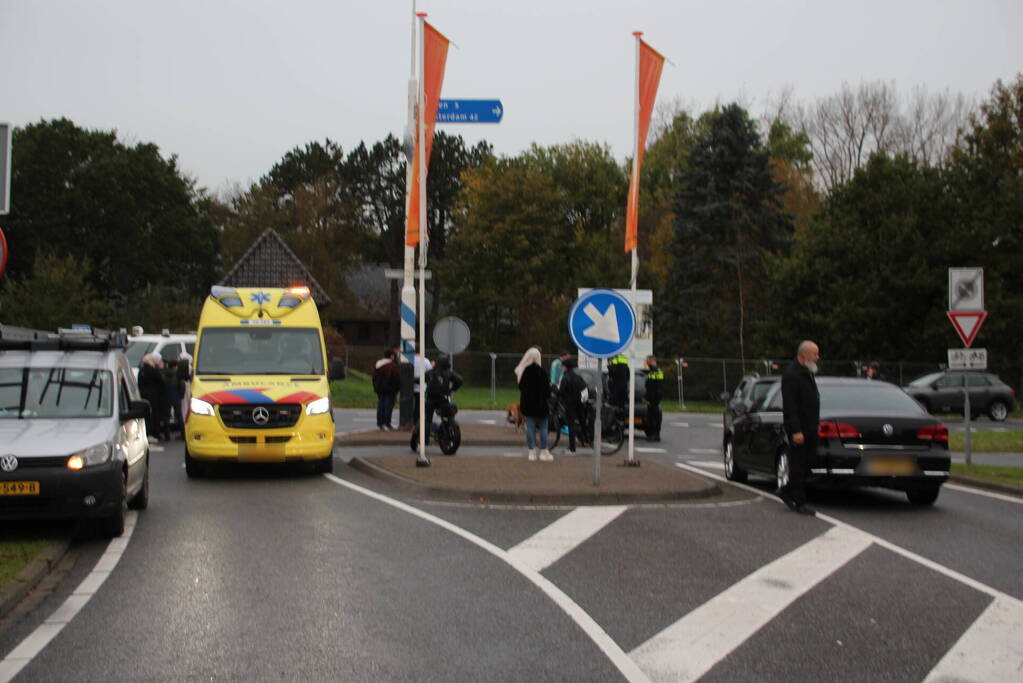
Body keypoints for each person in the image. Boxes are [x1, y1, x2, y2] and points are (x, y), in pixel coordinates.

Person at [779, 340, 821, 516]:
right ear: (804, 355)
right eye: (815, 354)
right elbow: (791, 406)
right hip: (800, 429)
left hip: (810, 428)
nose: (817, 358)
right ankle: (799, 501)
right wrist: (796, 431)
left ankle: (787, 490)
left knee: (807, 463)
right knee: (798, 464)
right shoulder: (792, 375)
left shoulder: (807, 373)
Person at [515, 347, 552, 461]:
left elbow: (521, 387)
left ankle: (531, 452)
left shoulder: (525, 371)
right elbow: (547, 390)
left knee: (530, 428)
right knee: (543, 428)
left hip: (528, 405)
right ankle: (543, 451)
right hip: (541, 406)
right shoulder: (542, 372)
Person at [423, 355, 462, 443]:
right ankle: (448, 432)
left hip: (431, 399)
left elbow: (422, 380)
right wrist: (452, 389)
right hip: (443, 399)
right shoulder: (449, 373)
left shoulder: (430, 372)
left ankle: (425, 439)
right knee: (449, 416)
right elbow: (460, 380)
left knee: (428, 419)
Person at [558, 358, 588, 454]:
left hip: (570, 403)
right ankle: (587, 440)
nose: (561, 368)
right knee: (581, 421)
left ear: (566, 367)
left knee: (571, 425)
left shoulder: (566, 377)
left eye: (562, 366)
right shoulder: (577, 376)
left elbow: (560, 391)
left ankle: (572, 449)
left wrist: (553, 387)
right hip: (579, 402)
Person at [137, 353, 166, 444]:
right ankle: (154, 433)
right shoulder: (153, 371)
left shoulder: (141, 371)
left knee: (146, 416)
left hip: (143, 395)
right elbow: (161, 381)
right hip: (154, 396)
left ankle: (146, 432)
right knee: (154, 415)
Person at [373, 348, 401, 430]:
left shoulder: (378, 364)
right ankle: (387, 423)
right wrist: (398, 387)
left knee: (381, 405)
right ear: (392, 356)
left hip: (380, 389)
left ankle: (380, 423)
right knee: (388, 406)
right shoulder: (393, 366)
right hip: (390, 389)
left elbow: (374, 378)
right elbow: (396, 378)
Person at [162, 356, 184, 440]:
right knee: (179, 416)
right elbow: (182, 386)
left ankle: (167, 435)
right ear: (175, 366)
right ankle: (182, 434)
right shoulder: (178, 375)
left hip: (166, 397)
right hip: (176, 397)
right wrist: (181, 395)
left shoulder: (165, 374)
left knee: (166, 417)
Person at [643, 355, 663, 442]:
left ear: (652, 361)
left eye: (647, 361)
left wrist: (651, 398)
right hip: (651, 398)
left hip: (654, 398)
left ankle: (656, 435)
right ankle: (652, 434)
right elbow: (648, 386)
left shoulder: (656, 371)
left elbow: (656, 387)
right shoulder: (651, 372)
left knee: (655, 417)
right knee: (650, 417)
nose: (646, 363)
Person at [412, 349, 433, 425]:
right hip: (422, 387)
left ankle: (408, 420)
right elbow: (430, 372)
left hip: (410, 386)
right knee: (419, 405)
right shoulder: (425, 361)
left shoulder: (409, 360)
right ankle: (417, 421)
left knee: (409, 404)